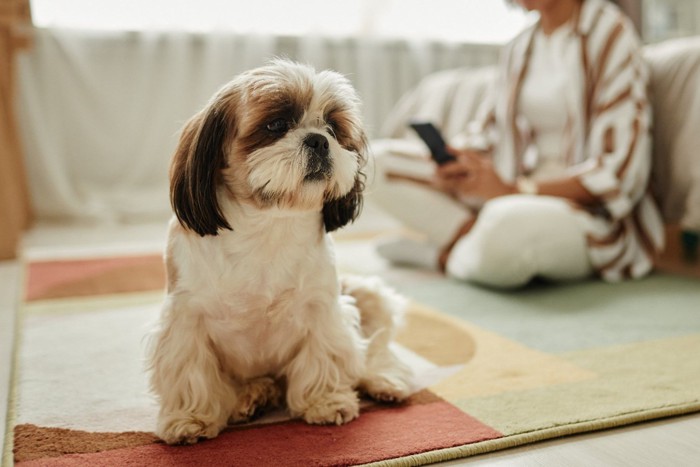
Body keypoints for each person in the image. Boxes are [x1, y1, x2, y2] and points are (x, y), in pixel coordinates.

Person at [372, 0, 665, 288]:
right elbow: (488, 133)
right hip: (507, 193)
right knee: (373, 162)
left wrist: (515, 190)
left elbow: (620, 170)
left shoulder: (609, 32)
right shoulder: (519, 46)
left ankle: (440, 257)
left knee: (505, 227)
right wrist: (462, 162)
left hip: (579, 212)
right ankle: (473, 242)